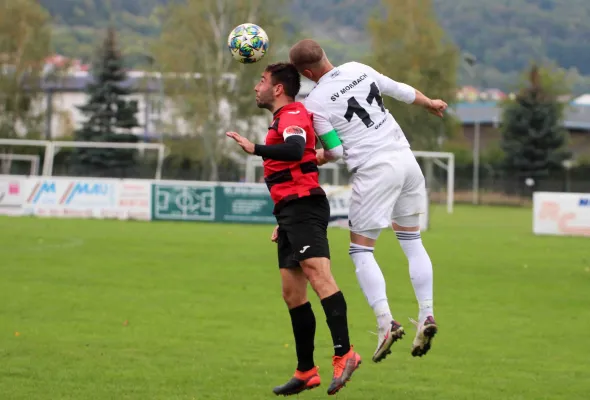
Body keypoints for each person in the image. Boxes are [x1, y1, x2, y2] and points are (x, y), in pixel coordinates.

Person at [289, 39, 448, 362]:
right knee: (412, 240)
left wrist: (320, 157)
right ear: (325, 55)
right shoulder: (358, 69)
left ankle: (385, 322)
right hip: (406, 161)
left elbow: (335, 151)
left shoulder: (315, 103)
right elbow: (401, 90)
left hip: (375, 170)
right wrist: (430, 102)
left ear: (306, 72)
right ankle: (427, 313)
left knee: (361, 250)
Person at [226, 62, 361, 396]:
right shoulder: (281, 118)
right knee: (292, 293)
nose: (256, 87)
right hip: (290, 212)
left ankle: (345, 353)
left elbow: (296, 149)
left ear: (277, 89)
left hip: (304, 208)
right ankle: (306, 370)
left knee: (319, 277)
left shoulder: (292, 115)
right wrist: (281, 219)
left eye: (261, 81)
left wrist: (253, 147)